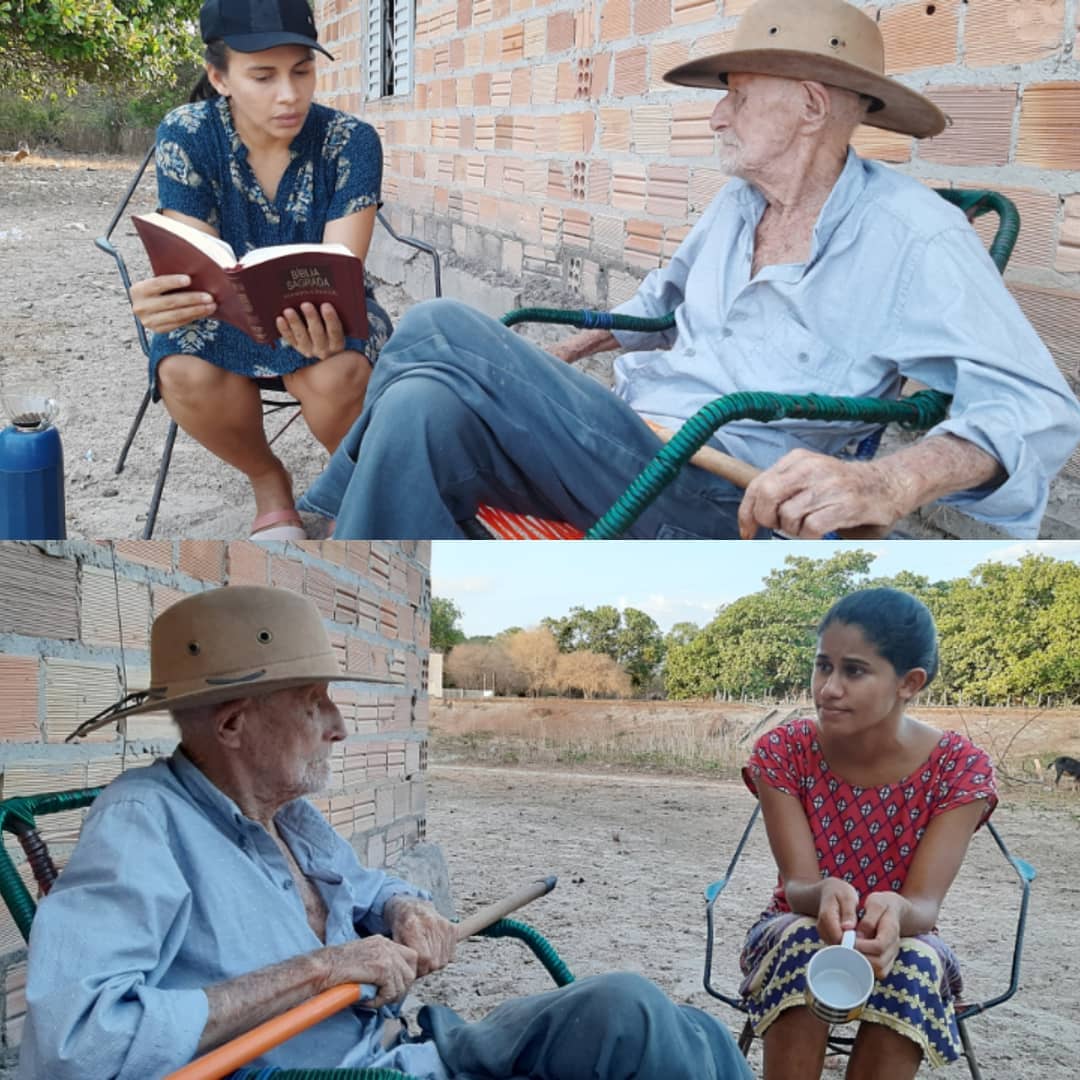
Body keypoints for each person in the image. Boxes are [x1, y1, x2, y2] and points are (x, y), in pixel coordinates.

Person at [297, 0, 1080, 540]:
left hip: (714, 492)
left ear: (810, 105)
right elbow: (654, 305)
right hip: (628, 445)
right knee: (422, 407)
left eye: (737, 96)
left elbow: (1040, 412)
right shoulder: (738, 205)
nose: (716, 114)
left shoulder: (913, 237)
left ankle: (326, 509)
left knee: (438, 326)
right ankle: (379, 562)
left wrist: (890, 483)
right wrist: (572, 354)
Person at [18, 586, 751, 1080]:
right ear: (235, 724)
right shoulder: (143, 822)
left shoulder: (287, 816)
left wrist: (405, 907)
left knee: (673, 1026)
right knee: (636, 1023)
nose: (337, 727)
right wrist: (320, 969)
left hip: (417, 1045)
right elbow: (77, 1041)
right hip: (332, 1075)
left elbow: (368, 890)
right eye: (313, 703)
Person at [130, 0, 394, 540]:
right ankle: (268, 479)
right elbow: (198, 264)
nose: (289, 94)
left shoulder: (351, 141)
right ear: (219, 77)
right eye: (263, 75)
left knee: (335, 370)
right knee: (181, 368)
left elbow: (343, 266)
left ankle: (354, 486)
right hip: (229, 316)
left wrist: (323, 316)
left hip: (325, 317)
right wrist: (164, 296)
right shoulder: (187, 133)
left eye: (302, 70)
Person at [740, 587, 998, 1079]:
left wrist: (897, 910)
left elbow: (924, 905)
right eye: (823, 666)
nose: (828, 688)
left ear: (909, 682)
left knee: (918, 962)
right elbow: (796, 889)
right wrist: (822, 894)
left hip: (905, 934)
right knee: (802, 939)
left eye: (853, 670)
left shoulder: (958, 770)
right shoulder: (785, 752)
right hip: (793, 923)